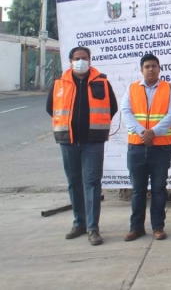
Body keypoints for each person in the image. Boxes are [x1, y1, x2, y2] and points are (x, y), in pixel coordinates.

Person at [47, 47, 118, 246]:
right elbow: (50, 108)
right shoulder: (59, 83)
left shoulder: (101, 82)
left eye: (84, 58)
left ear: (90, 59)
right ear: (70, 61)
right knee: (74, 182)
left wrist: (96, 128)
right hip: (68, 142)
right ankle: (79, 223)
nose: (81, 61)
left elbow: (112, 107)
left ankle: (93, 228)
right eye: (77, 58)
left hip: (92, 143)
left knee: (92, 183)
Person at [121, 54, 171, 241]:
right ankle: (136, 228)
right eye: (147, 66)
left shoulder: (169, 88)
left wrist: (153, 132)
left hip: (160, 148)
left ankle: (158, 227)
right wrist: (141, 132)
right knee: (137, 190)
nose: (151, 69)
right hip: (137, 147)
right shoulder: (131, 89)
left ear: (159, 68)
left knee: (159, 189)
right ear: (141, 70)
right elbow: (126, 112)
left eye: (154, 66)